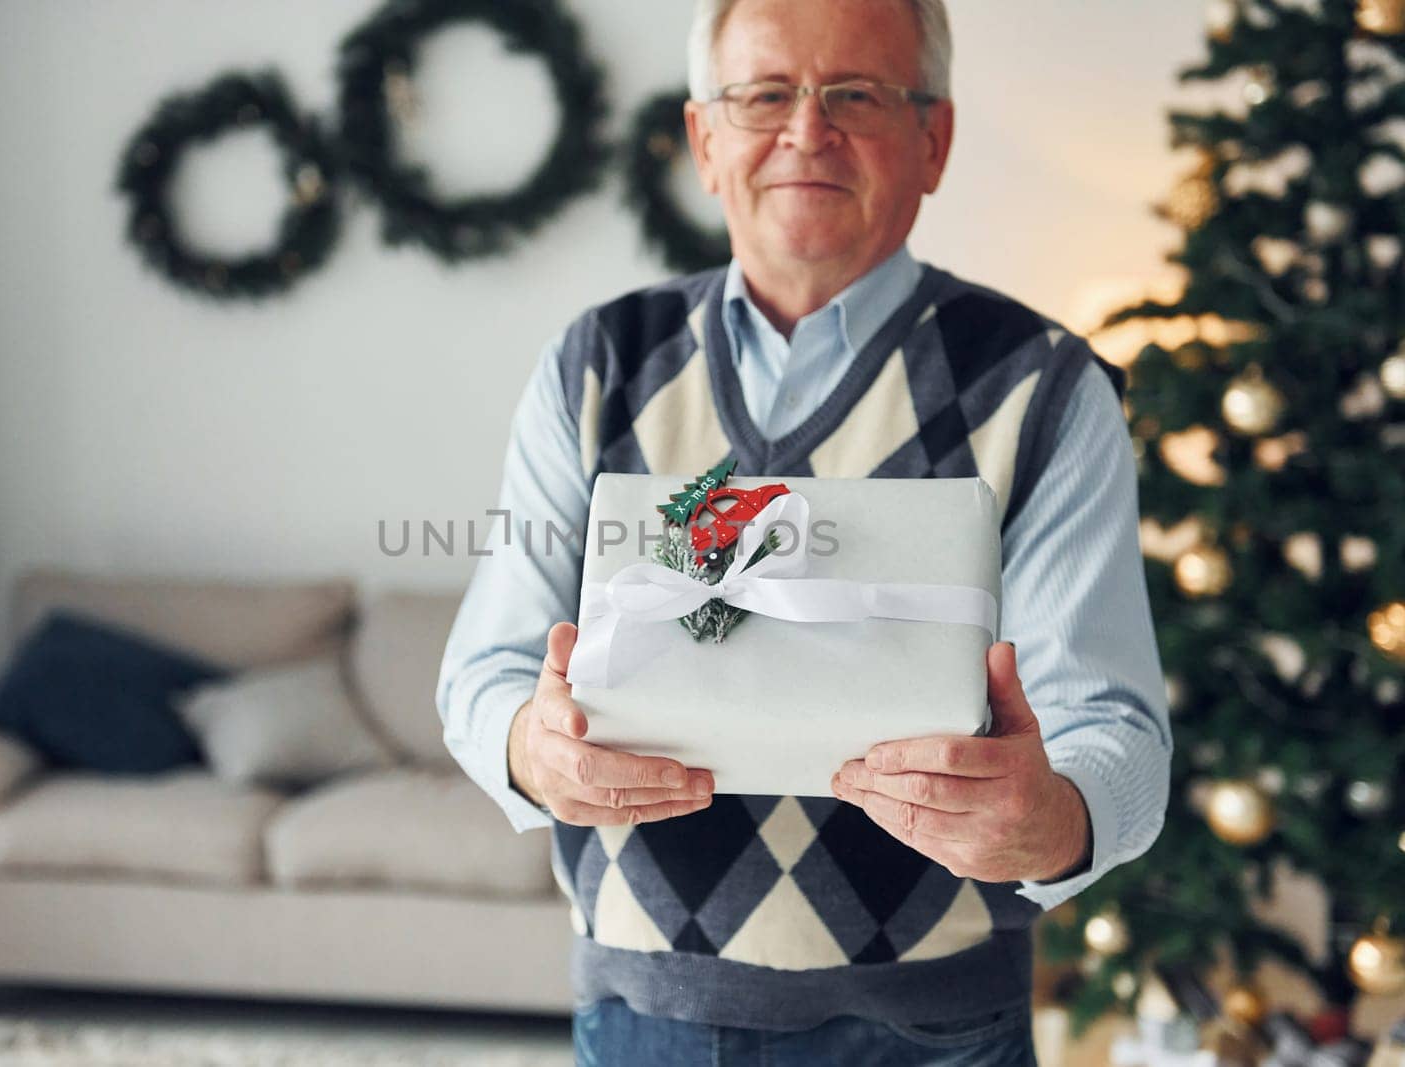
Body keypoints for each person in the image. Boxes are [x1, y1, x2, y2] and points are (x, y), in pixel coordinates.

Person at [436, 0, 1172, 1062]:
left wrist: (1059, 815)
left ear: (935, 141)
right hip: (646, 1016)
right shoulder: (596, 363)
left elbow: (1117, 729)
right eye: (765, 93)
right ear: (704, 140)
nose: (806, 131)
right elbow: (485, 669)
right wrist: (529, 744)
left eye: (856, 95)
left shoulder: (1043, 388)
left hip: (934, 1028)